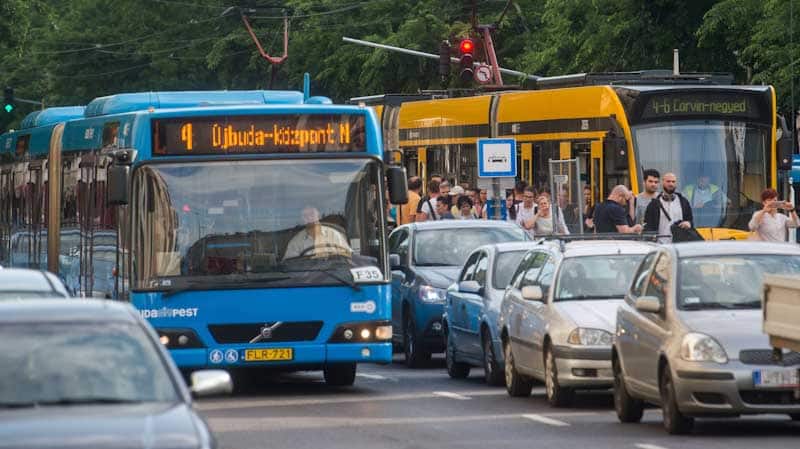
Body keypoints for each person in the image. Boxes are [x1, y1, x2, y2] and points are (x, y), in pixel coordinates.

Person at [284, 206, 351, 260]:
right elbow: (290, 263)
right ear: (302, 220)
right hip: (308, 275)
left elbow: (348, 255)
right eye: (305, 216)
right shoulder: (296, 241)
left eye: (312, 214)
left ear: (318, 216)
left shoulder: (334, 234)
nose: (309, 218)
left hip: (334, 273)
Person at [644, 173, 694, 242]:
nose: (671, 184)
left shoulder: (683, 202)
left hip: (679, 245)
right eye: (668, 181)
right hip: (660, 245)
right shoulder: (653, 204)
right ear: (662, 182)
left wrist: (688, 223)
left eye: (673, 182)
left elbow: (690, 220)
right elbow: (648, 226)